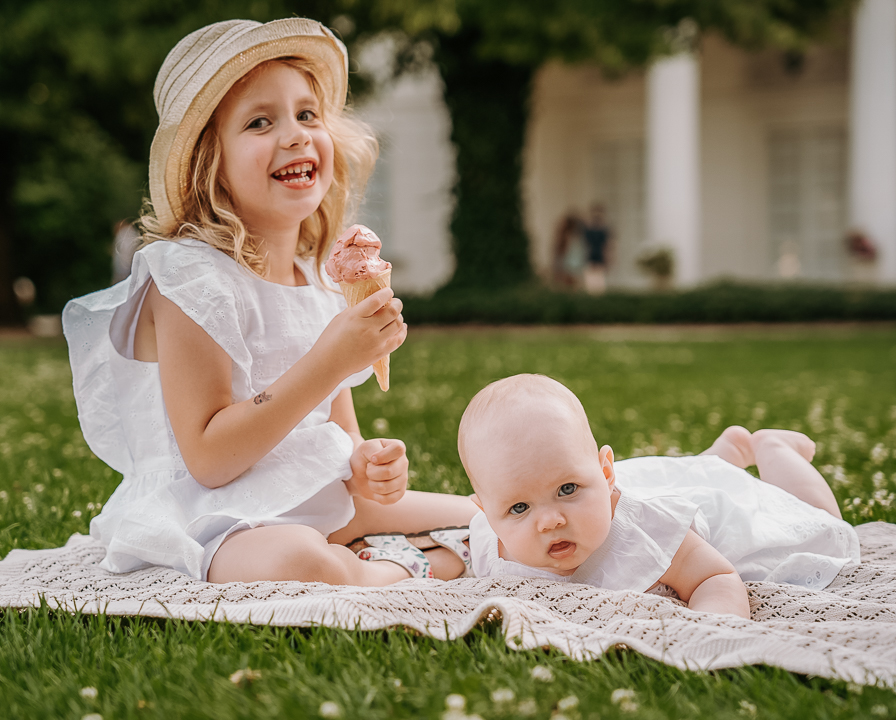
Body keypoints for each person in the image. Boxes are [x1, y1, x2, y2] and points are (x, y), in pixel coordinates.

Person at [63, 19, 476, 586]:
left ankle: (424, 553)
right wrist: (331, 360)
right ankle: (405, 570)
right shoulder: (188, 277)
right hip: (213, 517)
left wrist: (367, 465)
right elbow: (209, 458)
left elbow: (341, 434)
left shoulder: (320, 277)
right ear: (213, 163)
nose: (296, 134)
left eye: (308, 114)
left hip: (315, 496)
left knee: (487, 513)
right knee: (296, 561)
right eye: (261, 122)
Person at [457, 374, 859, 618]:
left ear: (605, 473)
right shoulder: (489, 543)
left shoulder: (649, 531)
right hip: (668, 486)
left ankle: (774, 449)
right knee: (698, 476)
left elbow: (714, 576)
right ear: (486, 513)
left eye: (567, 490)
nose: (550, 520)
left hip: (726, 514)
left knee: (819, 520)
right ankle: (722, 457)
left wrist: (712, 626)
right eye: (519, 508)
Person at [581, 203, 612, 294]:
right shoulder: (588, 229)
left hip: (599, 259)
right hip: (590, 259)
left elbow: (606, 247)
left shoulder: (604, 230)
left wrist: (608, 260)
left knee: (599, 287)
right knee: (590, 286)